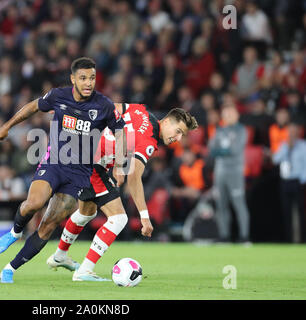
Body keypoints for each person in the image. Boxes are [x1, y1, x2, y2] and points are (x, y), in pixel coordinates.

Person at [0, 57, 126, 283]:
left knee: (48, 225)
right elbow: (34, 106)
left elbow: (120, 131)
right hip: (54, 163)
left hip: (79, 176)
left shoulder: (103, 105)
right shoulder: (58, 96)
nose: (88, 83)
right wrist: (7, 126)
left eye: (92, 78)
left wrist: (121, 164)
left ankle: (10, 268)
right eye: (83, 78)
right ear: (73, 79)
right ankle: (15, 232)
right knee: (34, 203)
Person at [47, 105, 198, 281]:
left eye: (182, 135)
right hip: (93, 164)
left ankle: (59, 256)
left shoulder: (141, 110)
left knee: (86, 212)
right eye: (178, 131)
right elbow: (134, 178)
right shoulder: (148, 140)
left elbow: (111, 107)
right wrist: (144, 217)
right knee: (119, 218)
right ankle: (84, 271)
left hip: (85, 153)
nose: (178, 138)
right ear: (167, 121)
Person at [208, 105, 250, 243]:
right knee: (221, 205)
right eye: (225, 115)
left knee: (239, 204)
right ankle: (224, 236)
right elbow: (211, 149)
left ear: (237, 115)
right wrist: (224, 150)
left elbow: (236, 150)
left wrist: (222, 151)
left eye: (230, 114)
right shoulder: (219, 130)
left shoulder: (241, 131)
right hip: (220, 172)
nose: (227, 117)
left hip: (235, 171)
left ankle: (244, 237)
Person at [272, 122, 306, 243]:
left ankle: (302, 240)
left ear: (298, 132)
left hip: (298, 182)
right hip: (285, 181)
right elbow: (275, 160)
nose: (291, 134)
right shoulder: (284, 145)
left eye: (293, 131)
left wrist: (303, 180)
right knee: (286, 211)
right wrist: (286, 148)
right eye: (289, 131)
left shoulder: (303, 146)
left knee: (301, 212)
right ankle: (288, 240)